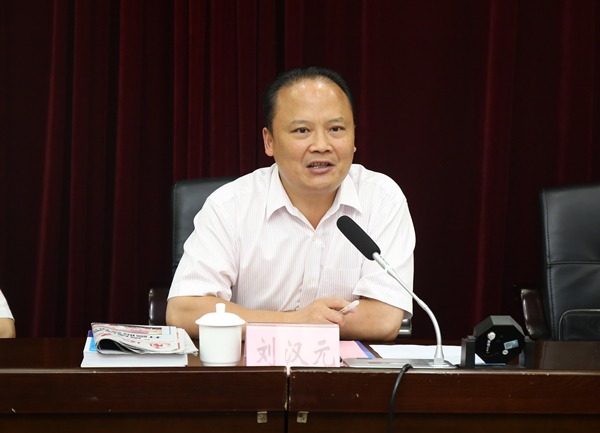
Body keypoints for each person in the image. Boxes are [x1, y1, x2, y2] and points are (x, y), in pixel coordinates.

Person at [167, 66, 415, 341]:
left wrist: (303, 322)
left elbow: (384, 319)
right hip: (251, 364)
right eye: (302, 130)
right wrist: (294, 322)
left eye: (336, 129)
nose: (321, 145)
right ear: (269, 141)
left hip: (346, 366)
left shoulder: (382, 199)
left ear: (354, 137)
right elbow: (183, 311)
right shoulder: (229, 206)